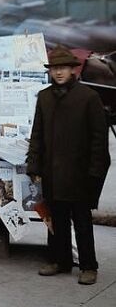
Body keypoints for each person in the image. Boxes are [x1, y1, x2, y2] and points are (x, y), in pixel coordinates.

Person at [26, 46, 111, 286]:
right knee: (56, 220)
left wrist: (95, 173)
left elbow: (98, 140)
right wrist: (34, 166)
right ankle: (58, 261)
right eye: (55, 69)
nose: (59, 73)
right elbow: (37, 134)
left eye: (63, 68)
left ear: (73, 70)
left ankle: (88, 266)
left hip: (80, 173)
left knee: (82, 222)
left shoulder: (88, 97)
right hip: (52, 171)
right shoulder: (44, 97)